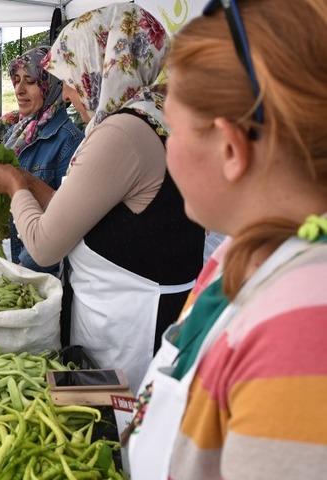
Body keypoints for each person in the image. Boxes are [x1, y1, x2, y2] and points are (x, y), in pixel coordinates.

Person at [125, 1, 327, 478]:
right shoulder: (243, 253)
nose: (167, 145)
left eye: (171, 128)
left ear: (231, 148)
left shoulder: (302, 332)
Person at [0, 4, 205, 390]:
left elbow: (45, 246)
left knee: (119, 432)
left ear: (103, 63)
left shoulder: (122, 134)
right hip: (137, 308)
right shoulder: (155, 115)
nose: (65, 92)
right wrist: (26, 180)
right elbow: (79, 210)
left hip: (128, 328)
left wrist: (14, 186)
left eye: (70, 76)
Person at [1, 47, 84, 272]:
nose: (19, 90)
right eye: (16, 80)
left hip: (44, 270)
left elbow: (67, 221)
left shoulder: (69, 140)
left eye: (30, 81)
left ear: (51, 85)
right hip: (18, 256)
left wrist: (23, 269)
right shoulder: (18, 131)